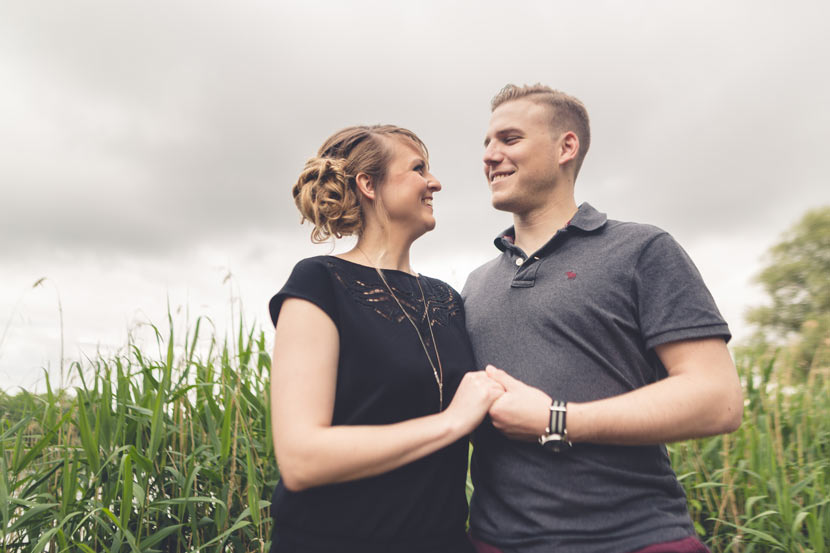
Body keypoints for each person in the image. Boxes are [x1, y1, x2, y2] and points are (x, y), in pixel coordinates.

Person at [462, 84, 744, 553]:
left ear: (565, 147)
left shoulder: (642, 250)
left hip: (635, 539)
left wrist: (557, 419)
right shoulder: (474, 284)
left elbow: (718, 400)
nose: (490, 156)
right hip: (494, 541)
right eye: (487, 144)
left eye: (509, 140)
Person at [267, 124, 504, 553]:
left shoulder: (448, 299)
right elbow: (302, 458)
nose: (435, 182)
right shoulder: (319, 282)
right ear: (368, 184)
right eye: (418, 168)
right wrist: (451, 422)